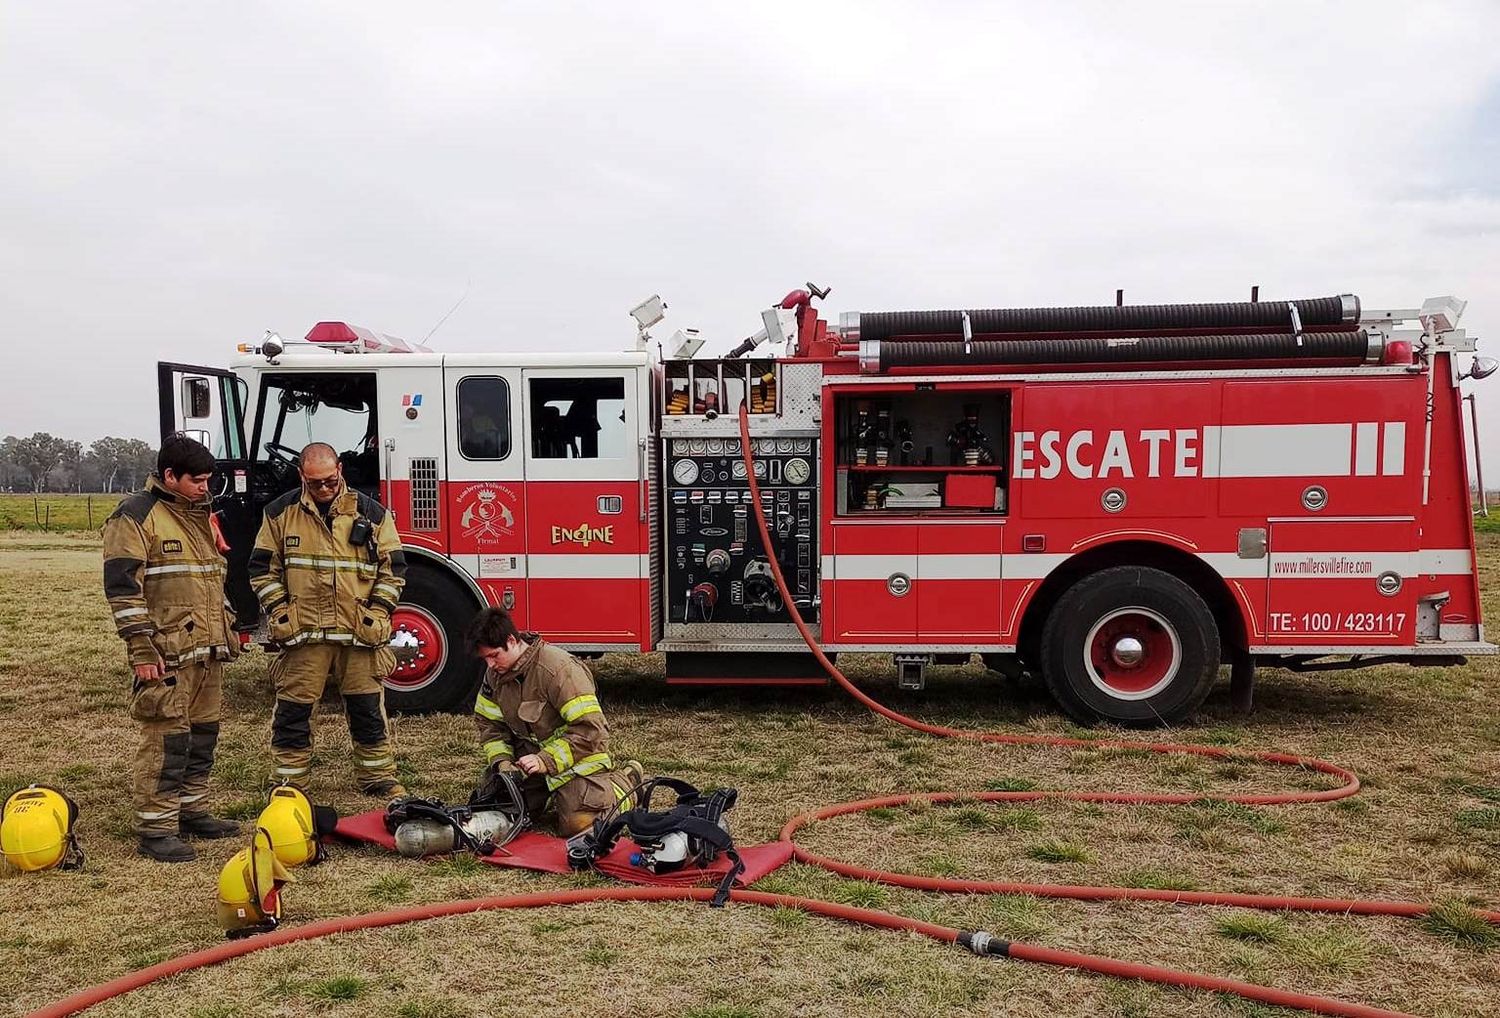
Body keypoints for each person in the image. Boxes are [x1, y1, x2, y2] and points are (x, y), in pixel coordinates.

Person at [102, 433, 241, 862]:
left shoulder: (199, 514)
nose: (205, 487)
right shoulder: (135, 517)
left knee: (202, 737)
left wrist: (226, 627)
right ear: (169, 476)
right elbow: (122, 590)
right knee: (167, 740)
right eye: (197, 480)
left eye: (207, 480)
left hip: (206, 650)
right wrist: (142, 651)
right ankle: (157, 827)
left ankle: (191, 810)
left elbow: (209, 580)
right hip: (167, 655)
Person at [247, 442, 408, 798]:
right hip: (304, 635)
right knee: (293, 711)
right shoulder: (279, 513)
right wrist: (280, 611)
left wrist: (378, 612)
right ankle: (290, 782)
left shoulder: (373, 513)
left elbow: (393, 570)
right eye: (316, 482)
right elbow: (261, 570)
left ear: (340, 470)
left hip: (358, 634)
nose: (324, 489)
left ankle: (377, 777)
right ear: (301, 475)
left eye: (331, 481)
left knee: (368, 710)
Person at [466, 608, 642, 835]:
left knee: (580, 824)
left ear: (512, 640)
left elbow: (592, 731)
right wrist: (503, 763)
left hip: (576, 759)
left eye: (494, 656)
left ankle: (627, 784)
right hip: (529, 760)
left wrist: (545, 761)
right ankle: (544, 797)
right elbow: (490, 724)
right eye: (485, 658)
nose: (490, 666)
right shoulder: (496, 675)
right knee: (497, 809)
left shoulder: (559, 670)